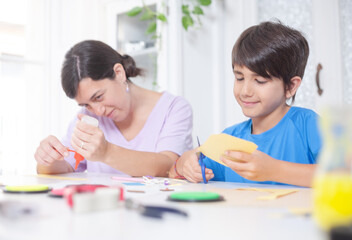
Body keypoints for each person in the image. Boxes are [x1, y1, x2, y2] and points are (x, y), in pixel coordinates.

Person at [170, 21, 322, 187]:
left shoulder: (308, 125)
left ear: (291, 86)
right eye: (239, 78)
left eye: (260, 80)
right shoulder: (230, 138)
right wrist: (188, 165)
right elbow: (173, 170)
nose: (245, 91)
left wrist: (274, 170)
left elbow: (344, 175)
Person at [35, 40, 193, 177]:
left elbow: (169, 166)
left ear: (119, 73)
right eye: (86, 104)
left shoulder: (174, 108)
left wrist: (107, 152)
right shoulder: (87, 118)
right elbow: (67, 166)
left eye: (98, 97)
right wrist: (47, 160)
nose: (98, 111)